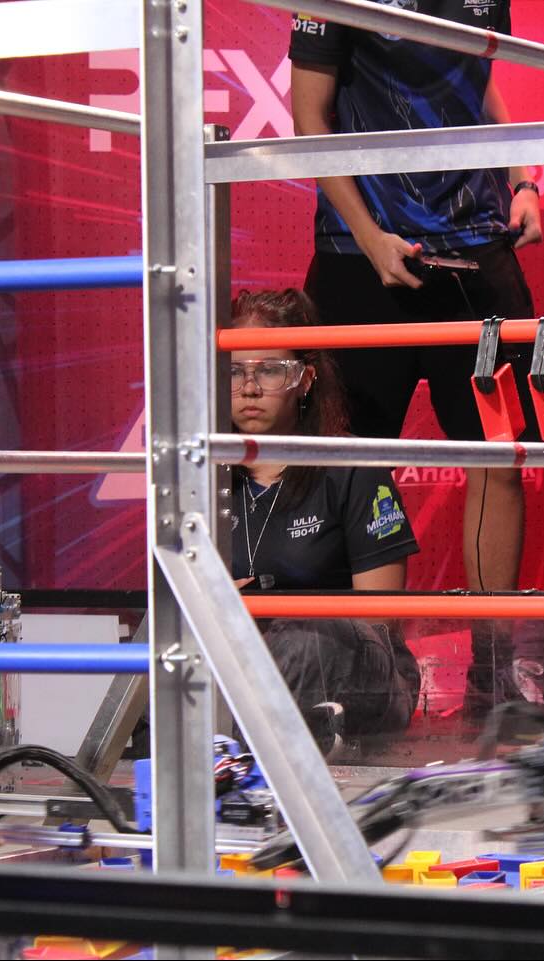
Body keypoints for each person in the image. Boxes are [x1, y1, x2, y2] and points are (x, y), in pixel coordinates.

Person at [289, 5, 542, 709]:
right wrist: (368, 234)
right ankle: (361, 674)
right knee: (343, 467)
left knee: (498, 459)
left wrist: (522, 181)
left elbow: (477, 82)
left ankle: (494, 673)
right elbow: (310, 116)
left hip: (478, 251)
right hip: (359, 257)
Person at [229, 289, 421, 757]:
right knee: (161, 636)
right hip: (239, 657)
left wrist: (271, 613)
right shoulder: (200, 476)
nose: (249, 388)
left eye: (270, 370)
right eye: (234, 372)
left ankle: (249, 765)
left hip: (366, 675)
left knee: (302, 636)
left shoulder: (351, 465)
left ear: (305, 379)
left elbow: (380, 620)